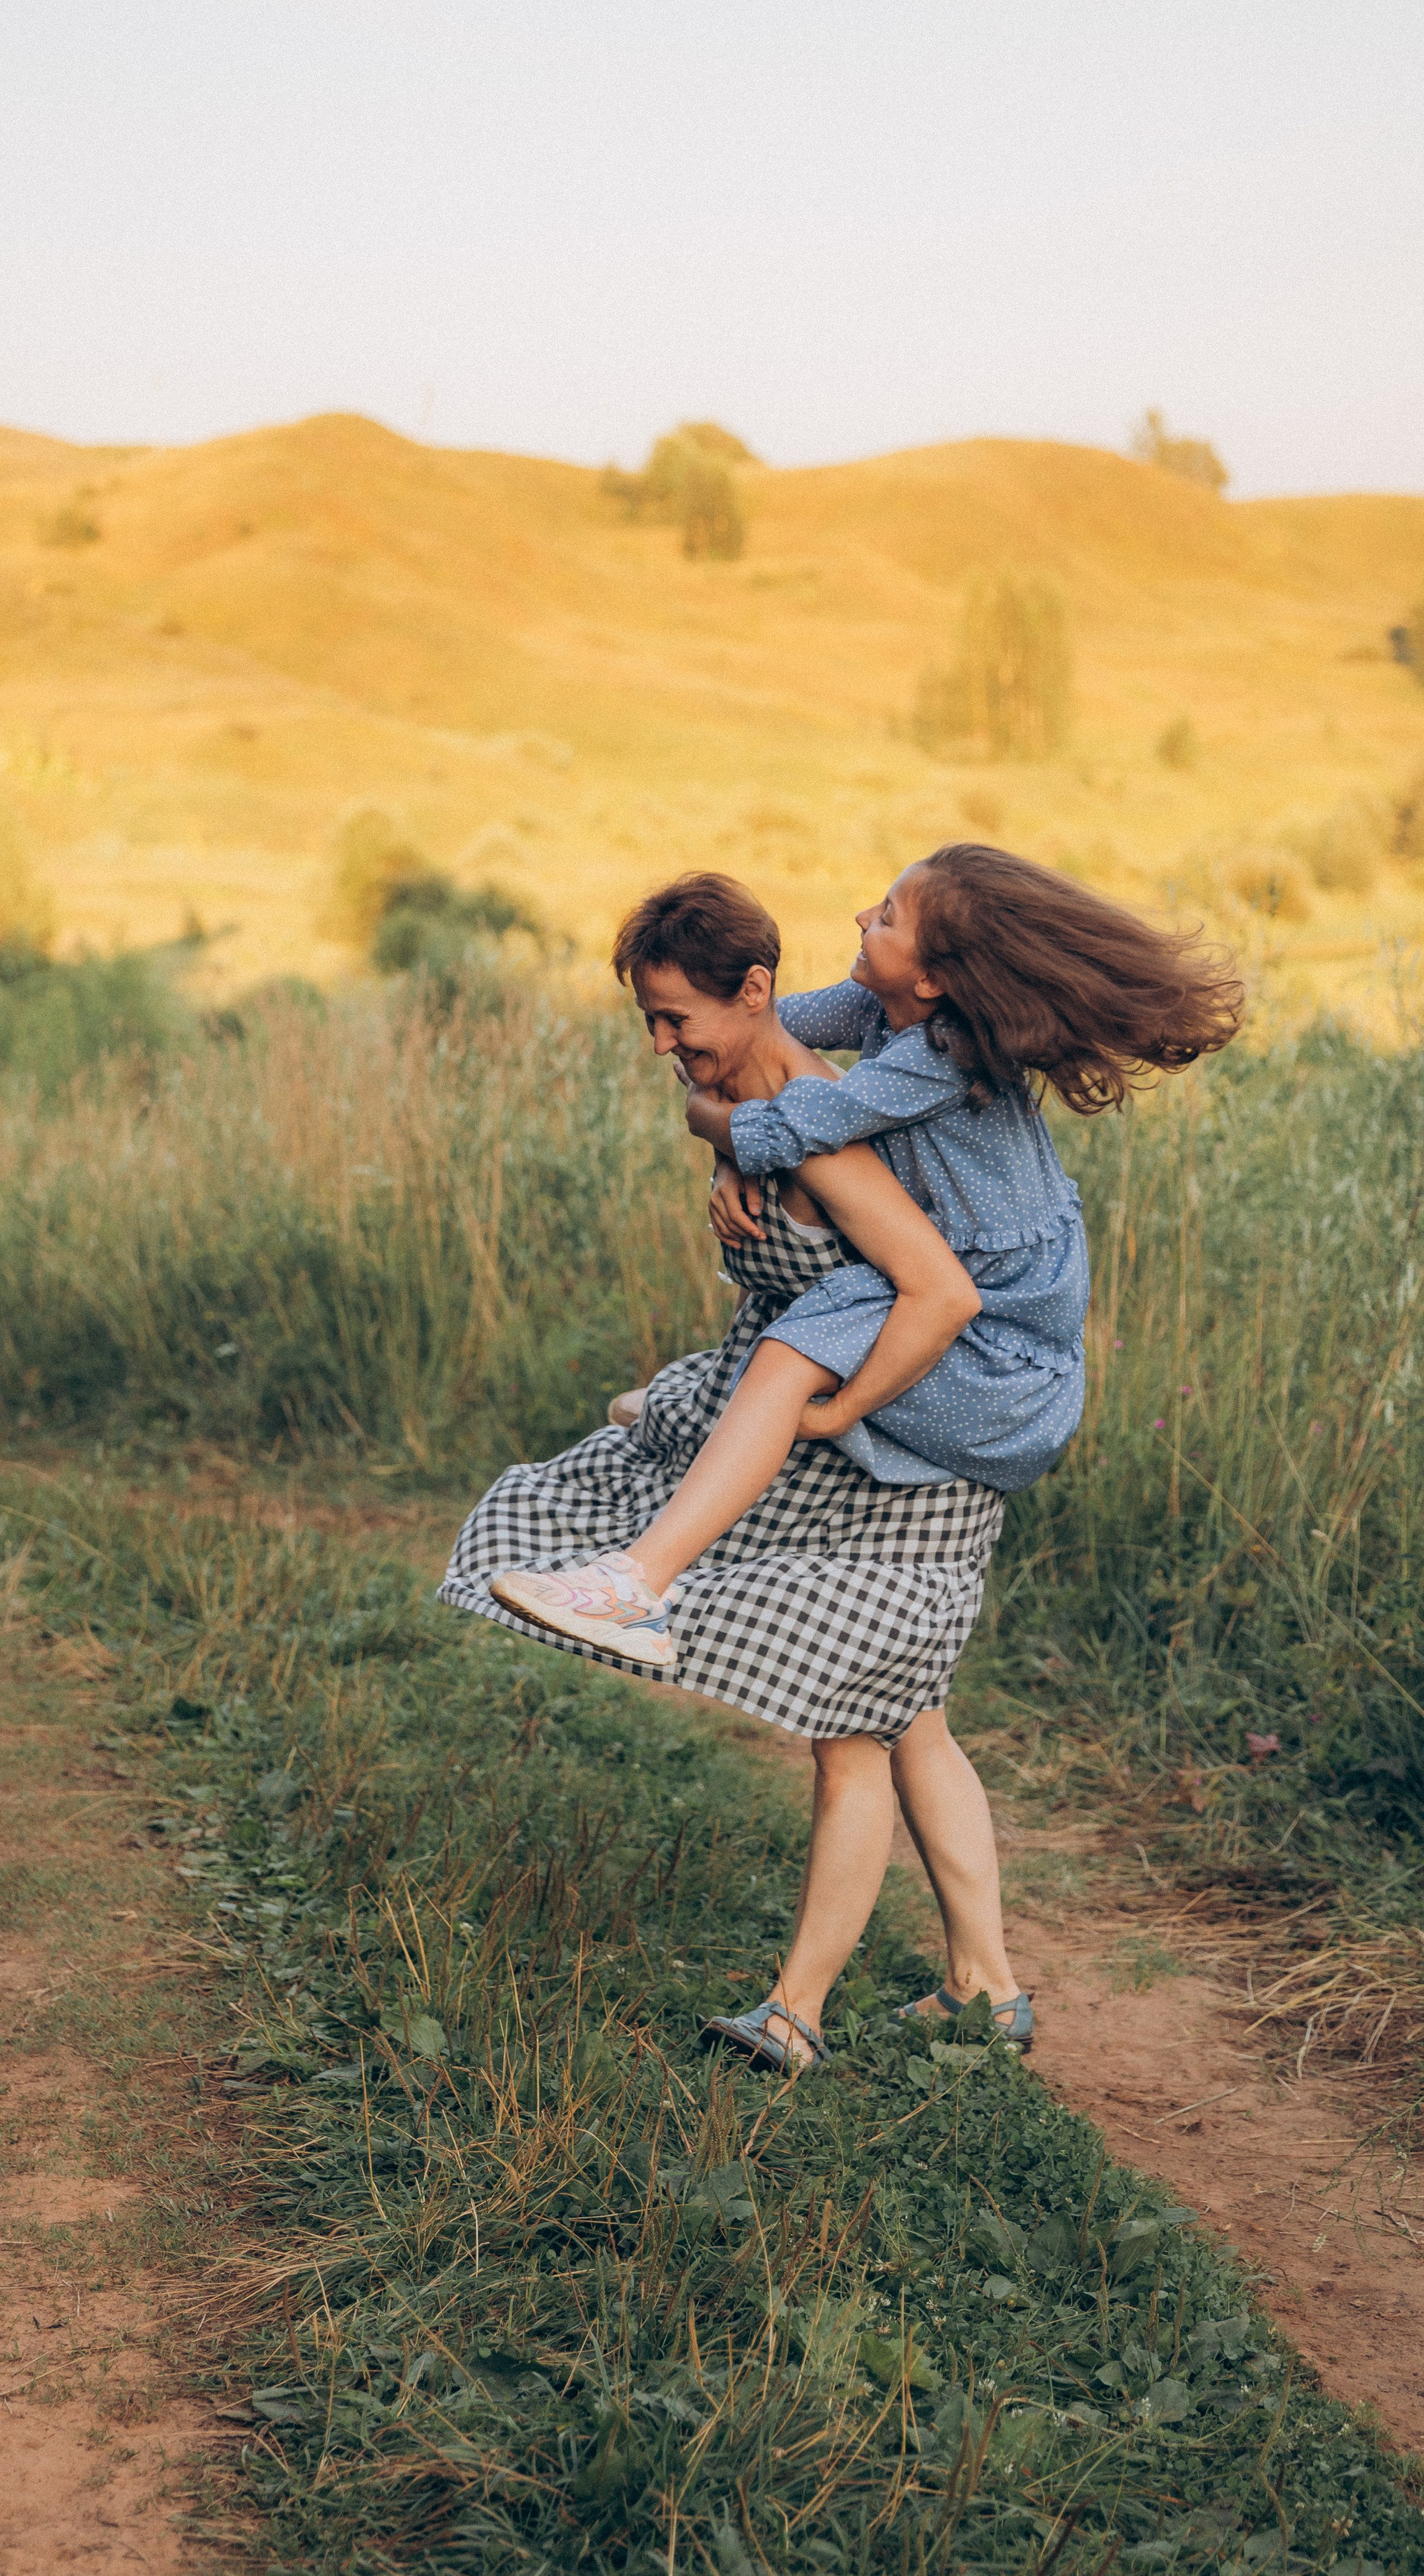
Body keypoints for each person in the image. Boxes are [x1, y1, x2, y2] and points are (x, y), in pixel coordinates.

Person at [438, 872, 1024, 2070]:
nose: (662, 1044)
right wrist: (728, 1158)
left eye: (677, 1021)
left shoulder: (819, 1118)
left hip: (906, 1460)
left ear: (753, 993)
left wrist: (839, 1411)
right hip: (860, 1446)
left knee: (854, 1728)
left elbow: (936, 1290)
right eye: (647, 1020)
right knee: (910, 1719)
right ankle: (985, 1985)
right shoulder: (757, 1096)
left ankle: (797, 2017)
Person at [503, 841, 1242, 1663]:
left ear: (930, 977)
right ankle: (691, 1430)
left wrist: (712, 1132)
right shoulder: (874, 1013)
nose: (863, 915)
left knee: (790, 1355)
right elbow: (754, 1044)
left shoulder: (939, 1055)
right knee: (761, 1368)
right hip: (966, 1307)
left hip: (1003, 1351)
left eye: (887, 914)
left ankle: (638, 1585)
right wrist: (727, 1152)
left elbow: (796, 1120)